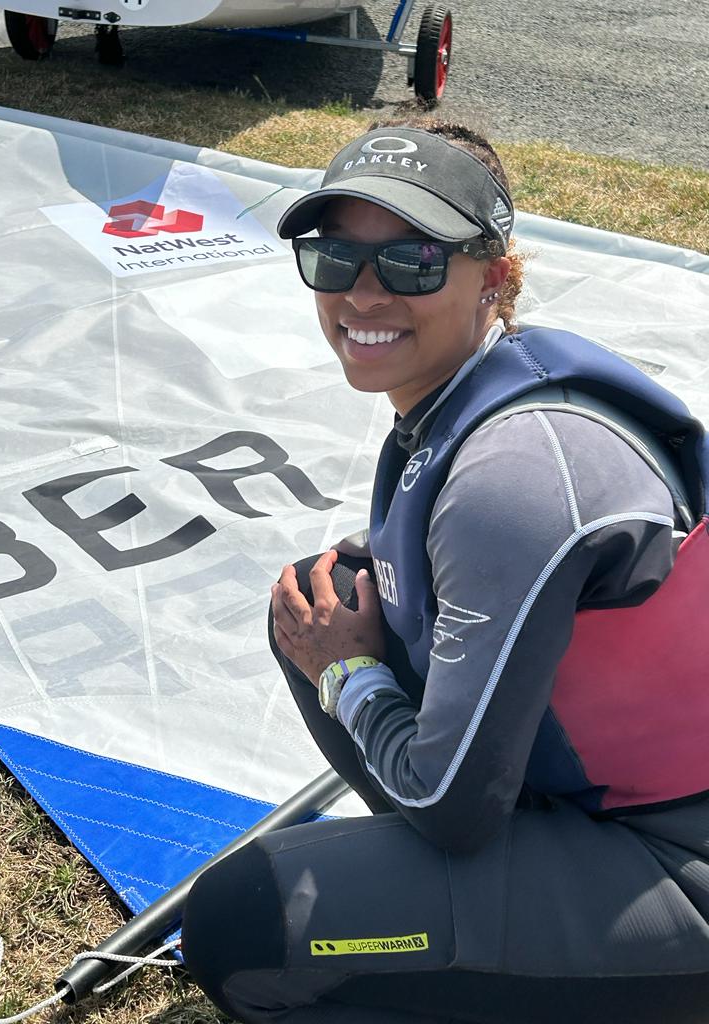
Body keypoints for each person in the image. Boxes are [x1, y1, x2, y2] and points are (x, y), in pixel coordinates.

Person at [180, 119, 709, 1024]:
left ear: (494, 278)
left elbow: (451, 805)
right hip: (617, 792)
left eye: (413, 262)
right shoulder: (488, 392)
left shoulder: (515, 473)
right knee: (325, 592)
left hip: (678, 867)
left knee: (243, 926)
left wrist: (350, 677)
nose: (364, 293)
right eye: (335, 258)